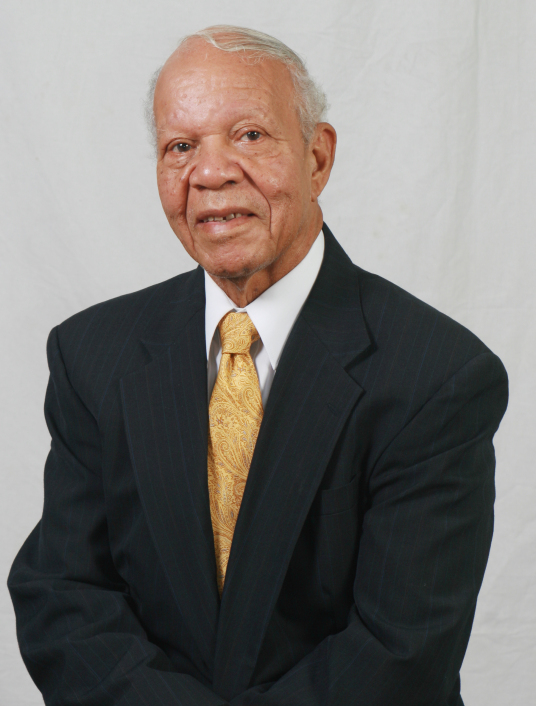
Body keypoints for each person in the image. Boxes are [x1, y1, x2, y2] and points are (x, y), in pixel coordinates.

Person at [8, 25, 508, 706]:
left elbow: (399, 651)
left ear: (317, 158)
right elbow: (64, 595)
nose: (209, 173)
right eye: (180, 146)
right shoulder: (92, 355)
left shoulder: (437, 376)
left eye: (248, 135)